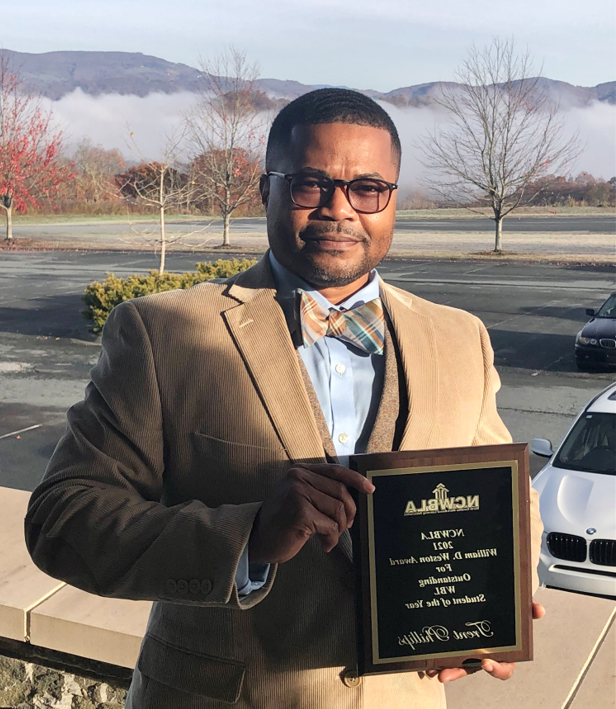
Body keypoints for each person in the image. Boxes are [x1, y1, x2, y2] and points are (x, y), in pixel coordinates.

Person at [25, 88, 543, 709]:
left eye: (368, 189)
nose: (339, 209)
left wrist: (496, 605)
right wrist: (247, 536)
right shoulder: (161, 334)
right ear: (266, 189)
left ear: (393, 199)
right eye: (309, 184)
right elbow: (63, 519)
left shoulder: (460, 338)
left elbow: (504, 501)